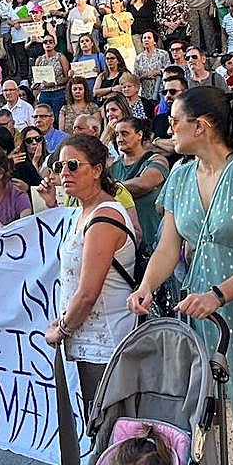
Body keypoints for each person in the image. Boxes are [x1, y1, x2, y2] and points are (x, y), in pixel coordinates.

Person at [129, 87, 233, 465]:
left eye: (174, 122)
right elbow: (168, 248)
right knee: (206, 418)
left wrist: (217, 296)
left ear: (201, 127)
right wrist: (146, 286)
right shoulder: (181, 175)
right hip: (197, 313)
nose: (168, 129)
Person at [46, 134, 137, 409]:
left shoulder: (105, 216)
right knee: (97, 424)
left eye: (72, 165)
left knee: (110, 429)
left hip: (106, 343)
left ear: (97, 170)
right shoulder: (82, 212)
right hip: (90, 340)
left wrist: (61, 329)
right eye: (59, 166)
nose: (64, 173)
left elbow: (87, 293)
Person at [109, 117, 169, 252]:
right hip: (122, 246)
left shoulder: (157, 159)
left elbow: (144, 184)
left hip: (153, 245)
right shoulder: (112, 166)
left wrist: (111, 187)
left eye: (125, 133)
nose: (119, 139)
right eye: (117, 134)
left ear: (139, 135)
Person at [133, 31, 170, 103]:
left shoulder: (163, 54)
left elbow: (169, 70)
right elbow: (135, 78)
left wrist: (158, 72)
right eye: (144, 38)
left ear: (154, 42)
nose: (146, 40)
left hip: (161, 92)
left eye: (149, 38)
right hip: (145, 94)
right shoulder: (138, 58)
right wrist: (144, 76)